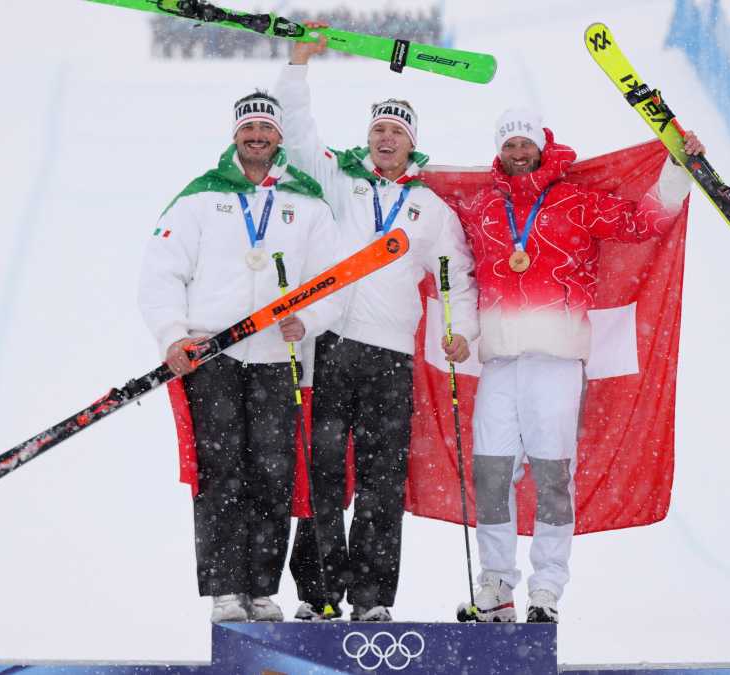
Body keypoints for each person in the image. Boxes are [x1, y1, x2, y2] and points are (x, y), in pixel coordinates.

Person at [459, 108, 704, 623]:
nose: (518, 154)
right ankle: (497, 584)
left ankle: (546, 587)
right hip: (500, 363)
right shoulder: (482, 209)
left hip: (557, 362)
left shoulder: (573, 202)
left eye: (525, 144)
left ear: (542, 147)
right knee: (489, 475)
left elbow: (642, 224)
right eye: (509, 146)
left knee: (552, 477)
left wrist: (679, 169)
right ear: (498, 154)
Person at [273, 25, 479, 622]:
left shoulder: (429, 208)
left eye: (396, 133)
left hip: (391, 358)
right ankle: (318, 596)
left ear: (411, 145)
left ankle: (370, 601)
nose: (385, 140)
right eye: (378, 131)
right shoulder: (340, 180)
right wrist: (298, 65)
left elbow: (457, 275)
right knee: (323, 473)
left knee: (382, 482)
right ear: (368, 139)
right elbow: (301, 134)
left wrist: (460, 328)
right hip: (333, 346)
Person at [138, 91, 342, 624]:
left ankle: (260, 588)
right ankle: (226, 590)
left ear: (279, 138)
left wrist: (312, 321)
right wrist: (171, 335)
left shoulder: (308, 202)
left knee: (273, 473)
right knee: (221, 472)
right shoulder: (200, 198)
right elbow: (161, 272)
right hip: (214, 356)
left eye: (266, 129)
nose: (257, 136)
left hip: (278, 355)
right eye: (248, 128)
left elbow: (334, 281)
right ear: (235, 136)